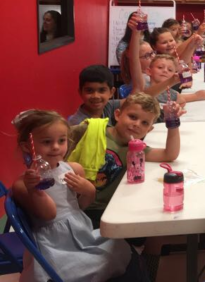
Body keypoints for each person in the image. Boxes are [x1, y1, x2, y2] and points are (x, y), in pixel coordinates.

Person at [11, 110, 140, 282]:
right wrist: (34, 190)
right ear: (28, 146)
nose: (56, 147)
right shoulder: (22, 185)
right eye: (47, 141)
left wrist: (89, 191)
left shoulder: (73, 168)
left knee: (120, 248)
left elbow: (80, 207)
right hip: (55, 244)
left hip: (80, 231)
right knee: (97, 265)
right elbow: (49, 215)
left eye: (61, 140)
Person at [65, 92, 181, 228]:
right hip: (77, 206)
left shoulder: (137, 150)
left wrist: (172, 123)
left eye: (144, 123)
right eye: (132, 117)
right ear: (117, 114)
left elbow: (170, 154)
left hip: (107, 208)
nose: (137, 124)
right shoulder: (90, 130)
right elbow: (59, 136)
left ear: (149, 130)